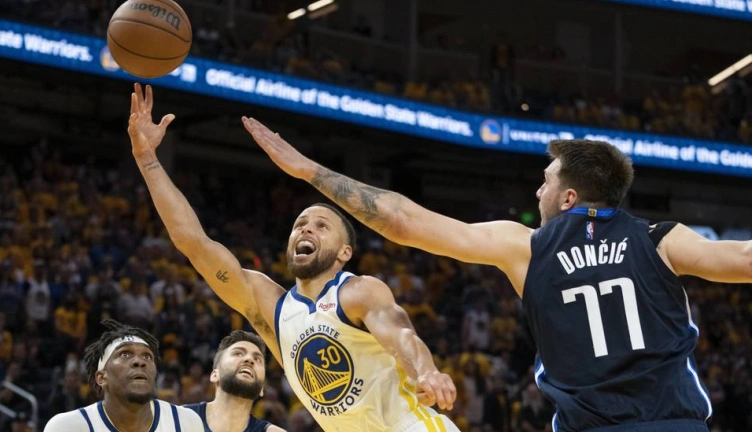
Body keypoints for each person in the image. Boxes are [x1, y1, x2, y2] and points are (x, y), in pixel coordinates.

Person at [243, 117, 752, 432]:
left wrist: (309, 171)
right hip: (676, 424)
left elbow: (402, 221)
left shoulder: (526, 247)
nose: (537, 192)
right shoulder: (662, 239)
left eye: (545, 183)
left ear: (568, 197)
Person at [127, 83, 458, 432]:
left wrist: (426, 371)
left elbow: (401, 333)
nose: (306, 229)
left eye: (321, 226)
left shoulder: (358, 291)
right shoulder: (270, 307)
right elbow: (194, 243)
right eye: (300, 224)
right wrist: (147, 159)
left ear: (344, 253)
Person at [44, 319, 203, 431]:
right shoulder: (69, 427)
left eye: (147, 356)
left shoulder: (186, 422)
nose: (139, 362)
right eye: (125, 354)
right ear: (101, 378)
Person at [184, 330, 285, 432]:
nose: (250, 359)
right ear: (215, 375)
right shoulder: (180, 419)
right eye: (238, 353)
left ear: (262, 388)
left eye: (258, 359)